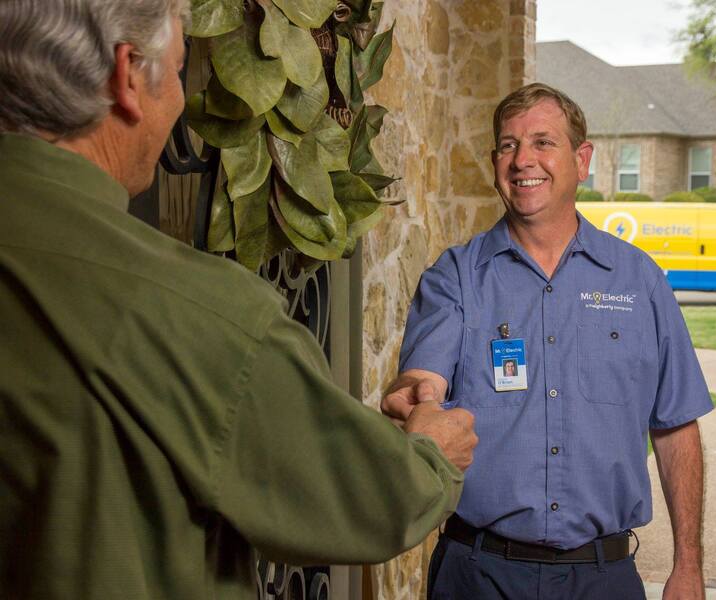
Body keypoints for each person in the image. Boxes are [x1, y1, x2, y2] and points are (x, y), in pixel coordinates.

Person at [0, 1, 477, 599]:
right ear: (126, 76)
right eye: (178, 72)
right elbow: (370, 498)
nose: (180, 102)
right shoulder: (193, 310)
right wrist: (433, 454)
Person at [382, 83, 713, 599]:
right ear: (495, 162)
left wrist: (688, 565)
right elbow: (423, 380)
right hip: (478, 575)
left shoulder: (638, 280)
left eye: (543, 142)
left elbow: (675, 427)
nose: (523, 161)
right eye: (508, 146)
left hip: (604, 578)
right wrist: (415, 397)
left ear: (582, 161)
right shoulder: (455, 278)